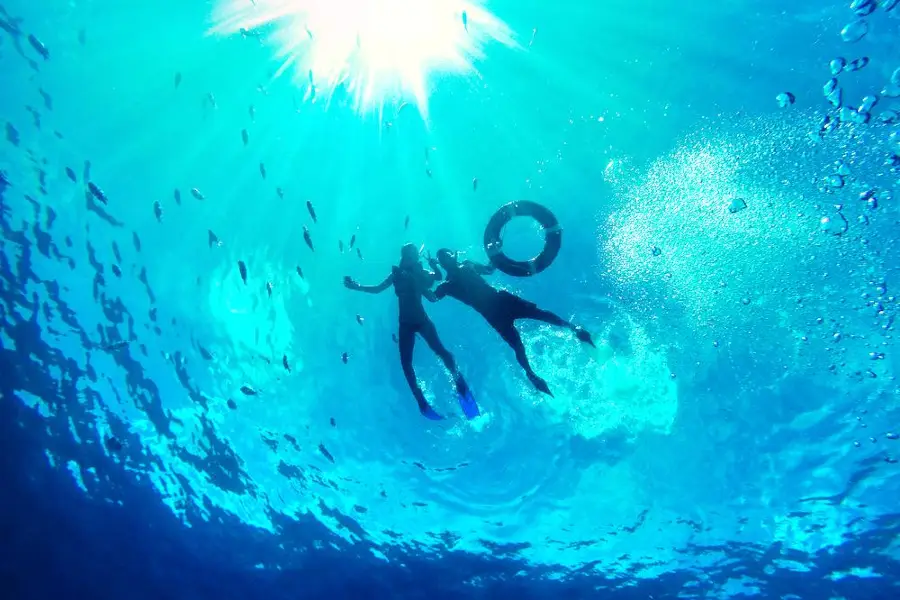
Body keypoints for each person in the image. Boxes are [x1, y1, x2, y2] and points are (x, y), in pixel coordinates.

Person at [428, 248, 594, 397]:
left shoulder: (467, 265)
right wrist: (425, 275)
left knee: (539, 314)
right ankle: (531, 374)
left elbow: (489, 269)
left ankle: (574, 329)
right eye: (443, 259)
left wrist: (494, 252)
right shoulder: (447, 285)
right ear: (442, 264)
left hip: (502, 299)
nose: (447, 259)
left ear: (453, 255)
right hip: (492, 314)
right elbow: (433, 298)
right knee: (517, 345)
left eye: (447, 255)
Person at [343, 243, 476, 420]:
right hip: (405, 323)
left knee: (441, 351)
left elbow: (436, 277)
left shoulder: (418, 272)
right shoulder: (396, 274)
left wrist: (434, 264)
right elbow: (377, 289)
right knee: (406, 363)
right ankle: (421, 399)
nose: (414, 257)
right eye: (411, 253)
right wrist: (357, 286)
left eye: (414, 254)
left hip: (421, 320)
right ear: (405, 255)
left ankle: (460, 383)